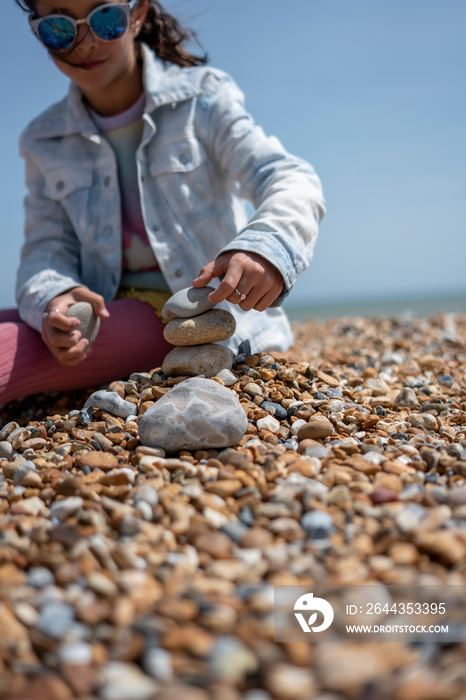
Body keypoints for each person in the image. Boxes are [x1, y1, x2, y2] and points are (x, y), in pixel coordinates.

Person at [0, 0, 325, 406]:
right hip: (105, 307)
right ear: (36, 28)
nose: (84, 42)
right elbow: (46, 248)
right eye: (59, 28)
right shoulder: (42, 139)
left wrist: (264, 249)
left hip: (186, 313)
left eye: (105, 19)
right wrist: (55, 296)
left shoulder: (202, 99)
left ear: (137, 14)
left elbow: (289, 177)